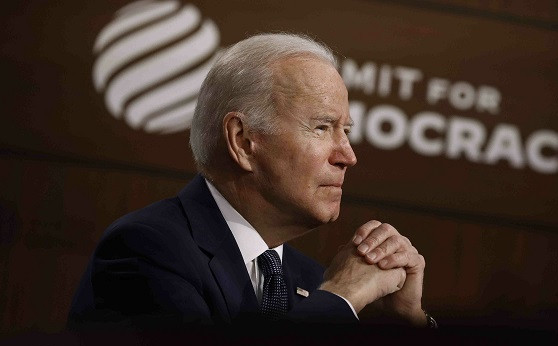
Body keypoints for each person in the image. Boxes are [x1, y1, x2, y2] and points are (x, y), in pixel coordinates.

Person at [68, 32, 435, 330]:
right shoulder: (146, 251)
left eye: (346, 131)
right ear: (243, 141)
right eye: (322, 128)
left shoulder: (309, 279)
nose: (348, 155)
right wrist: (340, 299)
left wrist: (407, 324)